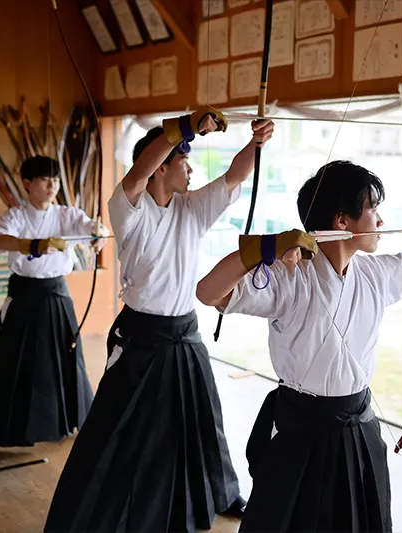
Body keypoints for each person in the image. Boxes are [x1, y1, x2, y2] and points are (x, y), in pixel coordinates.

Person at [195, 160, 402, 532]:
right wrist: (265, 248)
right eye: (373, 209)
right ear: (342, 221)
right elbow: (208, 292)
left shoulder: (376, 273)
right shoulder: (288, 274)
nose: (381, 220)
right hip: (300, 431)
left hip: (357, 428)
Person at [44, 107, 275, 533]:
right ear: (162, 167)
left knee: (204, 419)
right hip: (141, 336)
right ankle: (96, 510)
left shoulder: (192, 208)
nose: (190, 169)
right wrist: (185, 127)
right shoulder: (130, 209)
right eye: (183, 160)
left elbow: (235, 176)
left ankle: (221, 492)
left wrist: (256, 142)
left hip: (185, 333)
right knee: (119, 425)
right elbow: (138, 174)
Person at [0, 155, 107, 470]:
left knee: (70, 360)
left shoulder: (66, 214)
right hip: (25, 297)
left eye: (56, 180)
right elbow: (0, 240)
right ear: (27, 183)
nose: (53, 186)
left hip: (57, 295)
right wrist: (33, 244)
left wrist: (99, 232)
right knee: (7, 366)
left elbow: (89, 227)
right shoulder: (16, 216)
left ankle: (90, 429)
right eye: (45, 180)